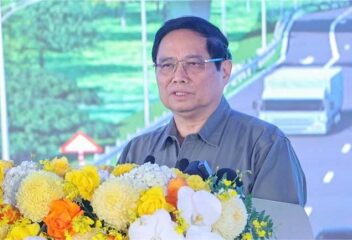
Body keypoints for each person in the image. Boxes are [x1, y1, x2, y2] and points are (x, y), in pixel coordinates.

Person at [118, 16, 306, 206]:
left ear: (224, 71)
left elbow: (282, 230)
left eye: (193, 64)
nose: (178, 77)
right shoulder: (137, 151)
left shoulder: (264, 145)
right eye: (167, 65)